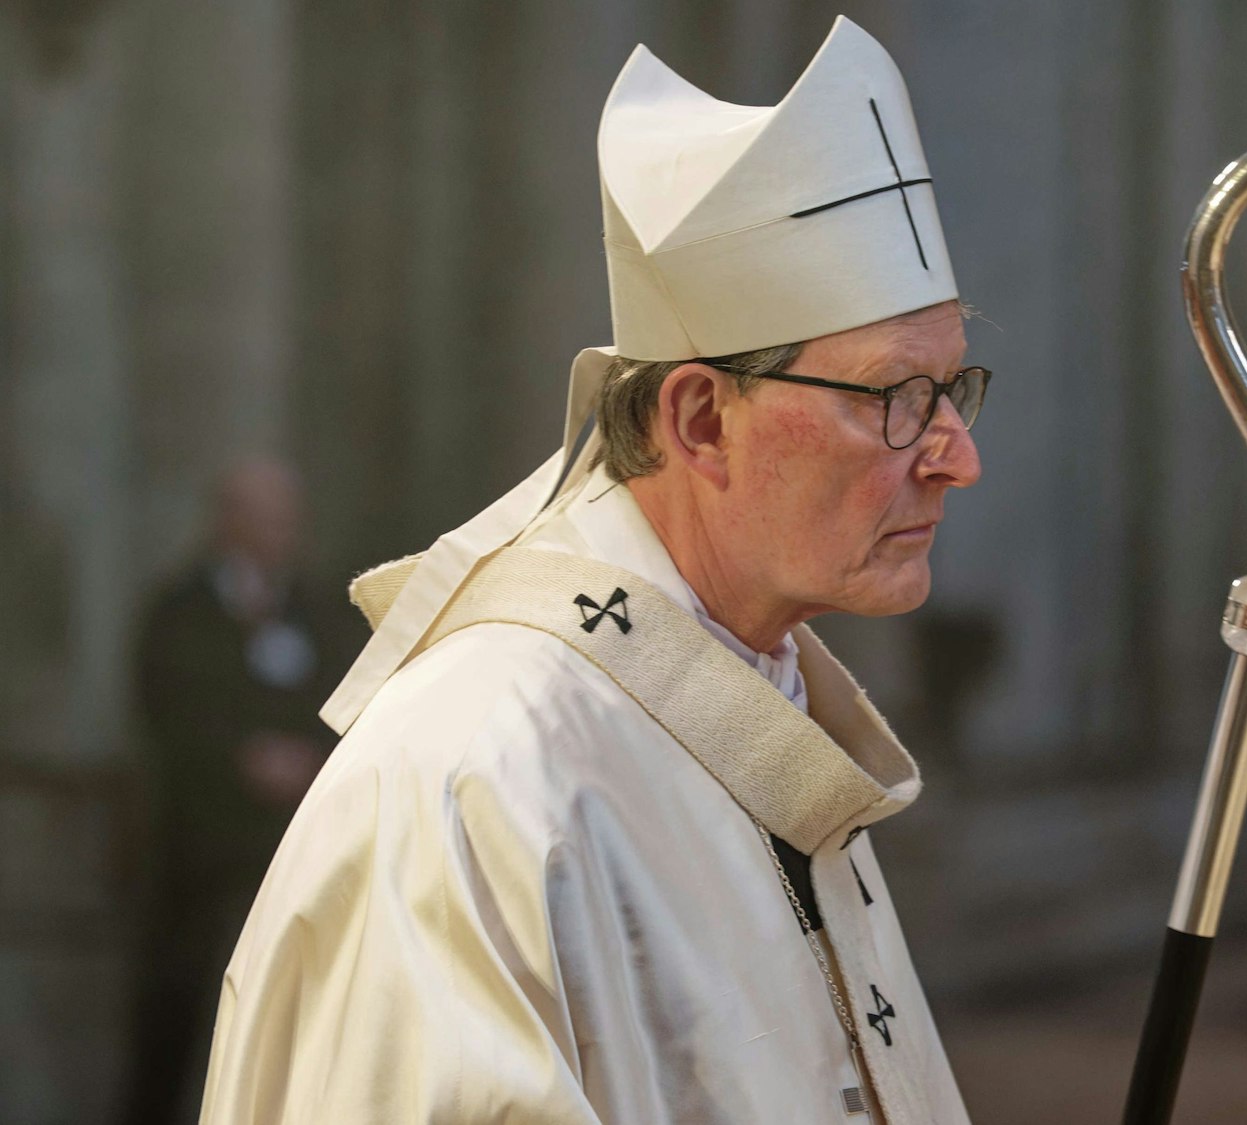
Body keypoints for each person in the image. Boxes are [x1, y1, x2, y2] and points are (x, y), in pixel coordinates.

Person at [200, 19, 989, 1124]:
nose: (957, 458)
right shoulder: (480, 771)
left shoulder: (755, 705)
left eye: (953, 391)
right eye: (895, 398)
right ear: (702, 420)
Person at [125, 456, 362, 1124]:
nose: (277, 532)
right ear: (225, 520)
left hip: (290, 841)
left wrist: (312, 758)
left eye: (285, 518)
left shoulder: (317, 607)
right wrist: (241, 756)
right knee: (178, 1005)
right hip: (201, 845)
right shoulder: (181, 609)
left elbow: (348, 689)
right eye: (261, 517)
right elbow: (166, 704)